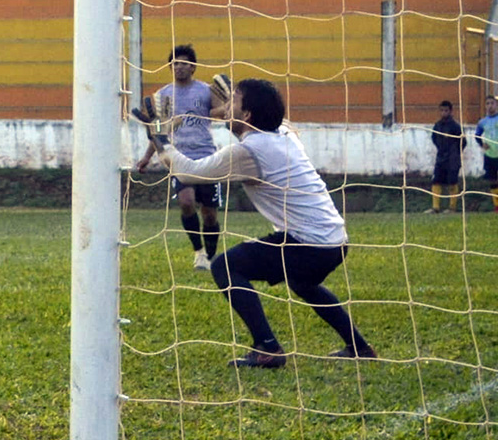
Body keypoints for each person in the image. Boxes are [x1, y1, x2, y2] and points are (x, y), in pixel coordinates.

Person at [138, 78, 375, 368]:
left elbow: (188, 173)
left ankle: (268, 348)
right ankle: (359, 347)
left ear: (248, 114)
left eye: (232, 102)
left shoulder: (249, 151)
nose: (225, 108)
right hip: (335, 241)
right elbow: (274, 115)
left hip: (309, 244)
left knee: (226, 266)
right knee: (303, 282)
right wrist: (235, 102)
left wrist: (156, 134)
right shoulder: (284, 133)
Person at [136, 44, 230, 271]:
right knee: (186, 203)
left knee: (209, 214)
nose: (180, 67)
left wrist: (214, 109)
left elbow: (222, 111)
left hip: (206, 156)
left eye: (185, 63)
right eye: (176, 63)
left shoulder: (205, 90)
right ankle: (198, 252)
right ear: (170, 66)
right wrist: (146, 157)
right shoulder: (163, 96)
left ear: (193, 67)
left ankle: (210, 254)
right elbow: (159, 132)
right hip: (179, 157)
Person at [426, 100, 466, 214]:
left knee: (452, 182)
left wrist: (455, 153)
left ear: (451, 111)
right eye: (442, 110)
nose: (444, 113)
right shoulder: (437, 125)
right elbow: (434, 138)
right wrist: (441, 149)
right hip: (441, 158)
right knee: (436, 181)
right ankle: (435, 207)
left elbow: (463, 141)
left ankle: (452, 208)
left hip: (453, 159)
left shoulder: (455, 126)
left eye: (446, 110)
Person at [474, 95, 498, 212]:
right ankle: (496, 205)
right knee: (493, 180)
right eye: (487, 103)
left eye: (492, 103)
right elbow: (477, 135)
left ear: (496, 105)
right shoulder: (483, 122)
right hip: (489, 155)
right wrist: (482, 144)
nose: (490, 106)